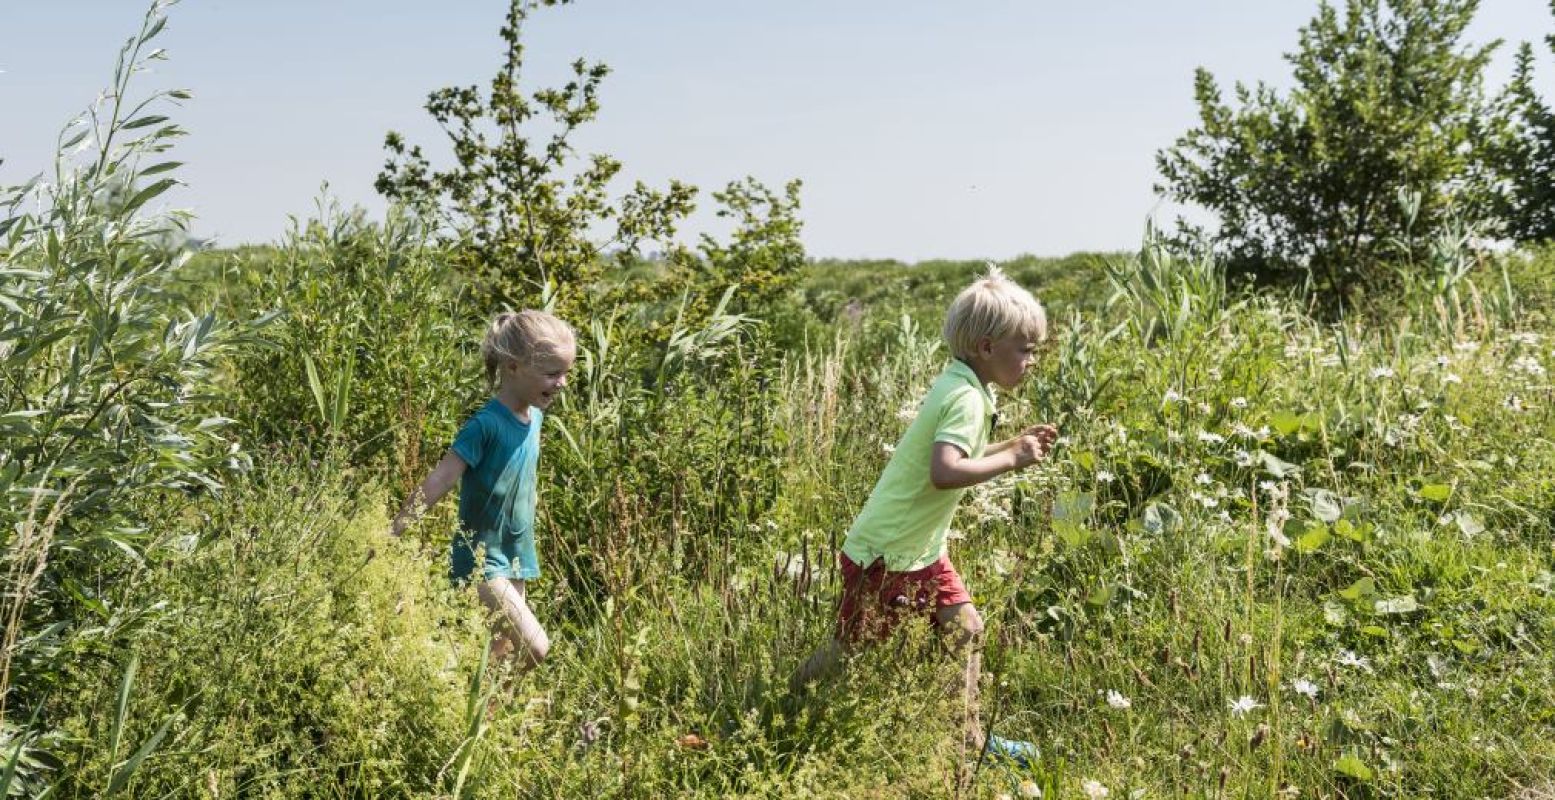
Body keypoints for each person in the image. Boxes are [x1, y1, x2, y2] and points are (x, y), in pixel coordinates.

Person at [793, 266, 1058, 767]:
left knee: (967, 629)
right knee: (849, 650)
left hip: (915, 549)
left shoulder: (962, 384)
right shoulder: (966, 398)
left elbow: (957, 455)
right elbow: (944, 471)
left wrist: (1010, 444)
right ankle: (789, 699)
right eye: (1023, 349)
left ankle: (970, 741)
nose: (1031, 360)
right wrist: (1012, 460)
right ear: (985, 347)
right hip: (888, 554)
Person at [390, 309, 576, 671]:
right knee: (536, 647)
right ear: (512, 367)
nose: (562, 382)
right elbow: (440, 480)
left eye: (566, 373)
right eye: (552, 373)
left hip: (518, 556)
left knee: (498, 659)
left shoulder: (535, 418)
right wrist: (395, 530)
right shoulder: (484, 425)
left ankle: (481, 718)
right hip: (482, 559)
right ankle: (433, 681)